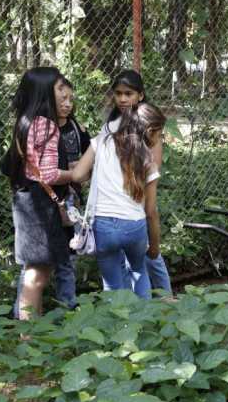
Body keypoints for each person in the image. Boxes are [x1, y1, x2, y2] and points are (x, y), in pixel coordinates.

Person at [69, 101, 165, 299]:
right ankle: (143, 322)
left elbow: (77, 175)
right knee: (139, 272)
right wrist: (155, 246)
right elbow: (151, 212)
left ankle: (117, 325)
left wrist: (96, 171)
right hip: (135, 226)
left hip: (103, 226)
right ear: (149, 131)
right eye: (159, 133)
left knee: (112, 284)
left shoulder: (101, 141)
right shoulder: (148, 161)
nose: (159, 138)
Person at [13, 77, 89, 317]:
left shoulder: (26, 121)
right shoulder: (45, 125)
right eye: (59, 89)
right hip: (40, 203)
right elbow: (48, 173)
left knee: (36, 271)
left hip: (29, 197)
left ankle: (31, 329)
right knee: (37, 274)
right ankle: (28, 335)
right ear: (44, 91)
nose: (66, 99)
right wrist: (75, 173)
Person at [105, 70, 173, 295]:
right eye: (118, 94)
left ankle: (167, 298)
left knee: (152, 255)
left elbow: (153, 166)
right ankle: (133, 307)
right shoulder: (113, 123)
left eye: (129, 93)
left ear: (141, 95)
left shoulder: (148, 122)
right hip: (119, 202)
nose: (123, 99)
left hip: (141, 197)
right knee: (128, 262)